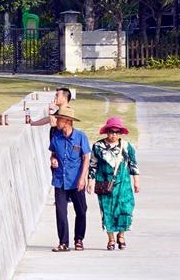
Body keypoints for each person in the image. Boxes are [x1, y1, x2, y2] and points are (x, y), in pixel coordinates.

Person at [46, 104, 92, 252]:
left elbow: (86, 158)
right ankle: (63, 242)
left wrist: (82, 178)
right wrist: (53, 160)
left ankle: (79, 239)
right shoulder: (56, 137)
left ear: (66, 121)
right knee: (60, 212)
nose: (56, 121)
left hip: (76, 180)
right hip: (60, 180)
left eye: (58, 119)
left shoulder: (80, 137)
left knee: (81, 210)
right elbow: (53, 154)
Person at [91, 116, 138, 250]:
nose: (113, 135)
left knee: (125, 209)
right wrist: (90, 181)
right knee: (107, 210)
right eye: (111, 131)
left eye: (117, 132)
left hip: (123, 184)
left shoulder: (127, 146)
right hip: (105, 183)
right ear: (107, 132)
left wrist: (136, 182)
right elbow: (93, 165)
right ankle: (111, 239)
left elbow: (133, 165)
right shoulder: (98, 146)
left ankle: (121, 235)